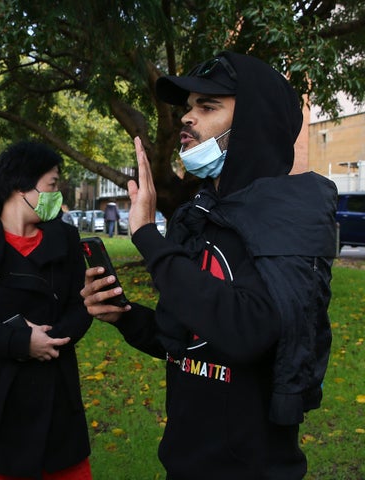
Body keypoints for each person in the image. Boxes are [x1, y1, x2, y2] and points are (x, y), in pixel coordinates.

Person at [81, 52, 337, 479]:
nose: (187, 117)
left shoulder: (288, 219)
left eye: (208, 106)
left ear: (252, 123)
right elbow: (184, 343)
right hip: (184, 464)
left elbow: (247, 332)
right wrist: (124, 316)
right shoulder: (197, 217)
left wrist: (147, 235)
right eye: (188, 107)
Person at [0, 141, 93, 480]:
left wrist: (51, 340)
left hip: (57, 396)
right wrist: (20, 342)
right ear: (21, 187)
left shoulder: (67, 238)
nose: (58, 193)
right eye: (53, 183)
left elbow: (82, 304)